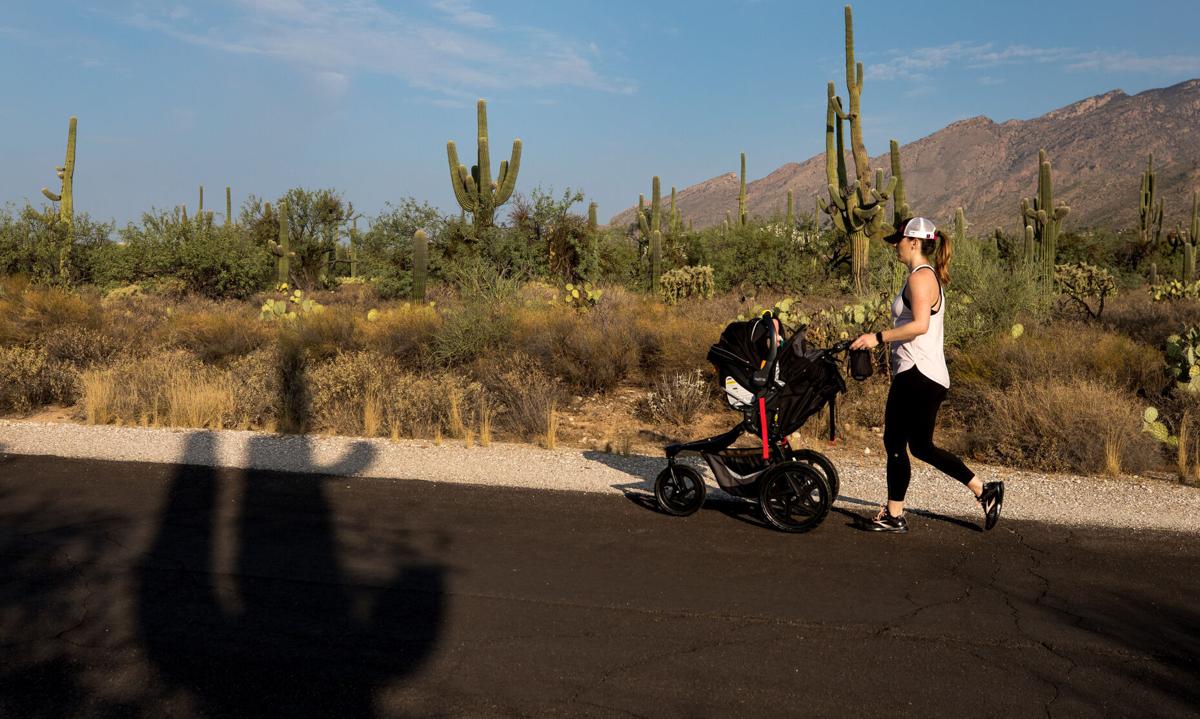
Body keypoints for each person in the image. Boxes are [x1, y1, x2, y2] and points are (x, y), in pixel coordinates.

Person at [849, 216, 1003, 533]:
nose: (896, 246)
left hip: (917, 374)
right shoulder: (924, 276)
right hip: (927, 375)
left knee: (895, 442)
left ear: (914, 243)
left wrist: (876, 338)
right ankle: (984, 490)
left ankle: (894, 516)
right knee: (920, 447)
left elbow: (920, 325)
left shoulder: (920, 279)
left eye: (900, 240)